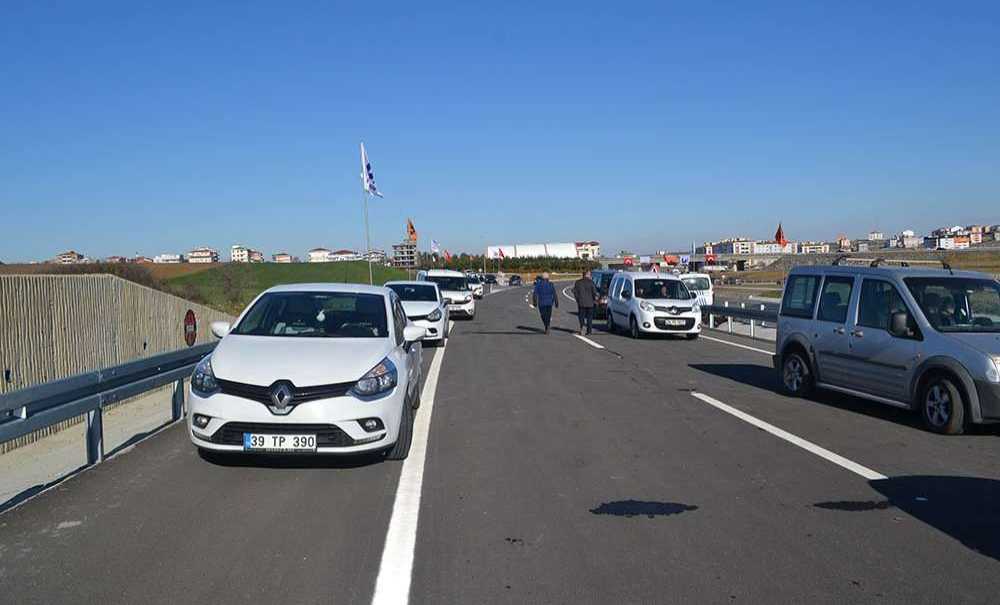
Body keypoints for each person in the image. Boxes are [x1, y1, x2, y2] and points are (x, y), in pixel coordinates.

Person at [572, 269, 598, 335]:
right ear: (587, 275)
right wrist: (595, 299)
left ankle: (582, 327)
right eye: (589, 274)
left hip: (581, 303)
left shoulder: (578, 282)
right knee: (589, 318)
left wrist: (578, 299)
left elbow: (575, 292)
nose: (590, 275)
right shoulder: (591, 282)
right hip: (590, 303)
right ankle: (589, 331)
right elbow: (594, 293)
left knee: (581, 317)